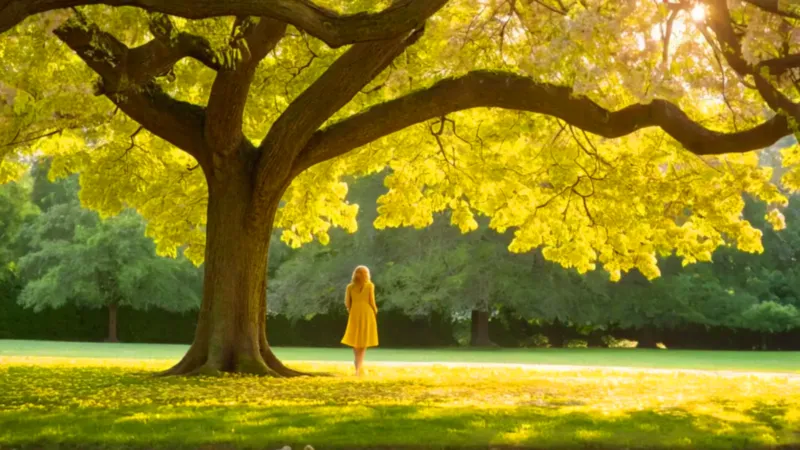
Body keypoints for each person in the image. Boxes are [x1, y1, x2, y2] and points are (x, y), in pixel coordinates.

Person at [340, 265, 379, 376]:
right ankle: (359, 367)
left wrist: (351, 310)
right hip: (367, 312)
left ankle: (358, 366)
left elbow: (347, 303)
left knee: (356, 340)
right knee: (363, 340)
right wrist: (375, 311)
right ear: (366, 275)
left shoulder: (350, 287)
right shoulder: (370, 286)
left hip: (354, 312)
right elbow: (372, 301)